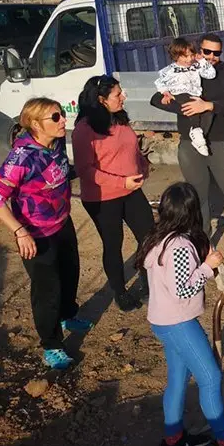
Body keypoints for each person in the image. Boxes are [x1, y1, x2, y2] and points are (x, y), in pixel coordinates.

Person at [137, 182, 224, 446]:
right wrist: (208, 266)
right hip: (179, 322)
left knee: (178, 380)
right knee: (210, 378)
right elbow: (184, 289)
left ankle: (174, 440)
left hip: (163, 321)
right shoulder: (179, 246)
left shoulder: (158, 237)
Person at [149, 34, 224, 262]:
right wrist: (180, 105)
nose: (211, 57)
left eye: (216, 53)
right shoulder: (181, 71)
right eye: (206, 52)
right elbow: (155, 99)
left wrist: (207, 106)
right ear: (196, 51)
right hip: (190, 143)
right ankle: (202, 243)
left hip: (220, 141)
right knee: (197, 196)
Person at [0, 98, 90, 370]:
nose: (63, 120)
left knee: (71, 272)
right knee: (47, 290)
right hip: (36, 234)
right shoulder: (21, 157)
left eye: (62, 114)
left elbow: (60, 173)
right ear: (36, 124)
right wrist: (20, 231)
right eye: (56, 117)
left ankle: (67, 315)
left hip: (62, 223)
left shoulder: (57, 143)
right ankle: (51, 345)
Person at [73, 75, 154, 312]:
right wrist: (121, 182)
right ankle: (120, 292)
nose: (123, 97)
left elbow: (130, 148)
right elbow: (85, 171)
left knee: (149, 236)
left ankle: (148, 280)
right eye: (117, 94)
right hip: (102, 196)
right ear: (101, 100)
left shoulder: (119, 119)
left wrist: (142, 163)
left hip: (130, 190)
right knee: (113, 243)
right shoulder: (84, 129)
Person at [155, 38, 217, 156]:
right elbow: (159, 82)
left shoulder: (196, 65)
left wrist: (202, 61)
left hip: (195, 94)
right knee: (189, 105)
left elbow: (211, 75)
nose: (189, 59)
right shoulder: (169, 70)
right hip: (179, 94)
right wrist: (165, 92)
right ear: (176, 56)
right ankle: (196, 131)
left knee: (207, 111)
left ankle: (198, 135)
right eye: (185, 56)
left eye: (191, 55)